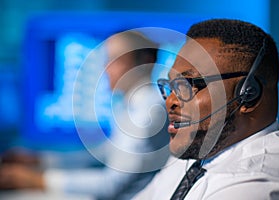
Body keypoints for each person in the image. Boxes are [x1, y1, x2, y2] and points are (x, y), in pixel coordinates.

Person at [133, 19, 279, 199]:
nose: (171, 101)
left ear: (248, 93)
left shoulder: (257, 183)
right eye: (172, 86)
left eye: (189, 85)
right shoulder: (199, 148)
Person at [0, 31, 169, 199]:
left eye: (116, 60)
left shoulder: (148, 113)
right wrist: (40, 160)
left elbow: (111, 185)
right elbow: (105, 153)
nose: (107, 69)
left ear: (147, 62)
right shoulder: (132, 105)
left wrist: (36, 180)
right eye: (107, 60)